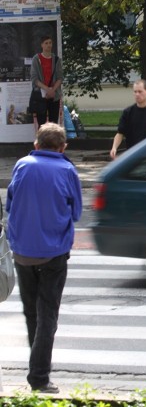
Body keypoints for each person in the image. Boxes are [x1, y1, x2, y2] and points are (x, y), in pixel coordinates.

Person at [5, 123, 82, 394]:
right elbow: (76, 213)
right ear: (63, 148)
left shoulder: (22, 165)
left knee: (30, 311)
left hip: (22, 252)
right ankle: (39, 377)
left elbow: (10, 205)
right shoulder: (67, 170)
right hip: (54, 253)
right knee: (48, 314)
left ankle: (36, 369)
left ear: (36, 145)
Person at [110, 79, 146, 159]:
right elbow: (120, 133)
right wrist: (114, 148)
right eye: (135, 92)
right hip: (132, 155)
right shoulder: (128, 112)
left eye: (140, 91)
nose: (137, 94)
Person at [30, 35, 63, 125]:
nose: (49, 45)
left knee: (53, 124)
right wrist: (47, 89)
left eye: (50, 43)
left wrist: (52, 90)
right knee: (42, 124)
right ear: (42, 45)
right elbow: (34, 79)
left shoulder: (56, 60)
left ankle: (53, 139)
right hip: (40, 96)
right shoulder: (36, 59)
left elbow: (60, 78)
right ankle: (42, 139)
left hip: (54, 95)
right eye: (46, 43)